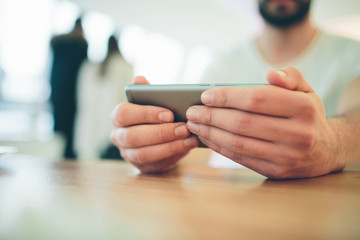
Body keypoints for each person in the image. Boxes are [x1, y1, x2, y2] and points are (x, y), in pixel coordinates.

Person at [110, 0, 360, 179]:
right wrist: (157, 154)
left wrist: (332, 142)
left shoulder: (353, 55)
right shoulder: (221, 66)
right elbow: (196, 156)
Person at [75, 35, 133, 160]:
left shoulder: (90, 67)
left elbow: (82, 97)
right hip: (112, 124)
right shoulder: (125, 67)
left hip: (90, 125)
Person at [49, 17, 88, 159]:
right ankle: (67, 157)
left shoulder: (58, 43)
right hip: (72, 95)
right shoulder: (81, 45)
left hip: (56, 92)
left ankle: (56, 157)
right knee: (70, 131)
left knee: (58, 130)